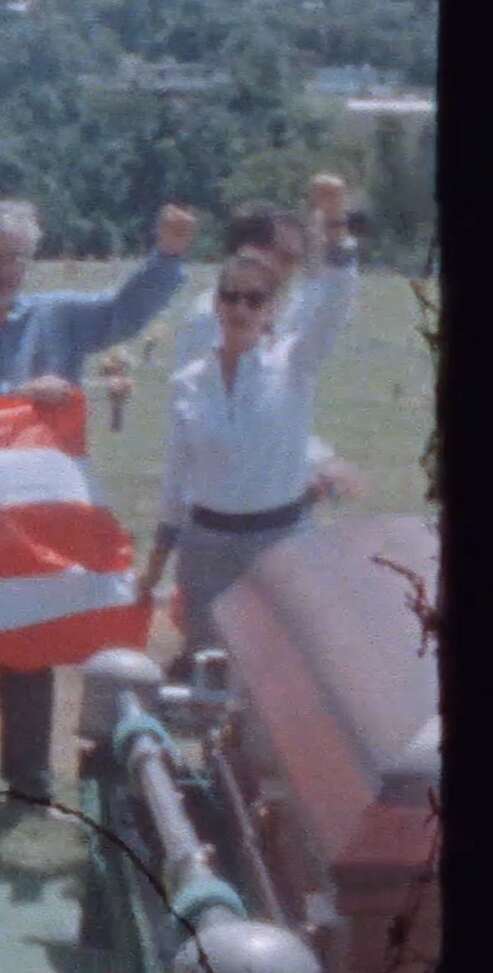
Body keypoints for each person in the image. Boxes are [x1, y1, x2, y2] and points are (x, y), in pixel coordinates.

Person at [0, 197, 194, 822]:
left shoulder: (56, 317)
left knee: (29, 653)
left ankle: (32, 791)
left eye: (15, 257)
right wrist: (17, 401)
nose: (3, 270)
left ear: (30, 261)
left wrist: (167, 256)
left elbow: (123, 313)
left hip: (34, 521)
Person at [139, 196, 362, 657]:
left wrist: (338, 233)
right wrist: (157, 562)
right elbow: (183, 468)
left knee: (280, 665)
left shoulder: (292, 357)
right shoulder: (195, 361)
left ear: (271, 306)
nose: (241, 307)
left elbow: (334, 303)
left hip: (279, 536)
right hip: (209, 541)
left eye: (255, 298)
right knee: (208, 666)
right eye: (231, 296)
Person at [171, 180, 364, 505]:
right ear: (248, 252)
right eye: (287, 258)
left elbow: (328, 302)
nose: (292, 271)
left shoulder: (274, 311)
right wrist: (314, 463)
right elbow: (226, 424)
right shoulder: (212, 319)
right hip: (227, 506)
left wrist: (318, 462)